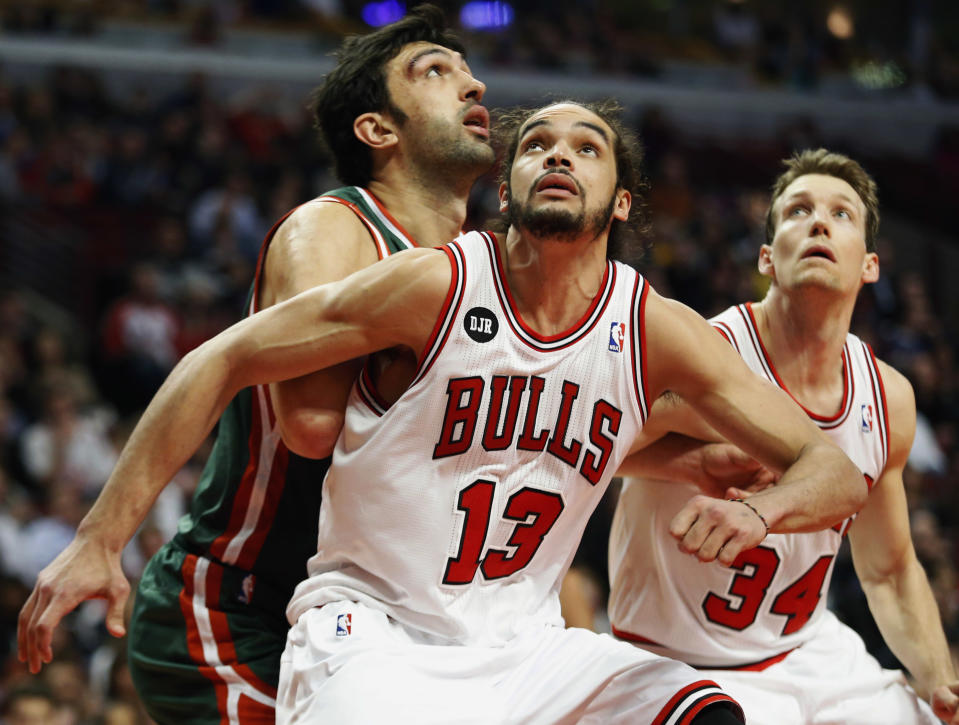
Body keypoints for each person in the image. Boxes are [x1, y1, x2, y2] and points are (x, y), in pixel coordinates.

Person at [61, 99, 873, 723]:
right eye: (536, 145)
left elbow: (834, 469)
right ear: (507, 188)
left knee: (704, 710)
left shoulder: (655, 328)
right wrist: (100, 540)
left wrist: (762, 513)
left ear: (620, 203)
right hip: (373, 632)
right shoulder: (434, 285)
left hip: (527, 649)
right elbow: (223, 355)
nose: (558, 153)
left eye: (585, 147)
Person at [17, 6, 494, 723]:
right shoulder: (336, 227)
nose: (474, 86)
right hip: (238, 607)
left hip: (375, 619)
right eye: (435, 73)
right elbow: (309, 421)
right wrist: (100, 537)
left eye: (468, 73)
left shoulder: (476, 270)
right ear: (377, 129)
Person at [607, 148, 959, 724]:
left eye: (841, 214)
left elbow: (890, 571)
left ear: (870, 264)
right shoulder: (704, 354)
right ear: (767, 257)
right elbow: (583, 441)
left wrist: (940, 678)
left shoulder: (887, 397)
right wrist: (685, 460)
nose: (819, 221)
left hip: (809, 653)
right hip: (677, 663)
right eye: (798, 210)